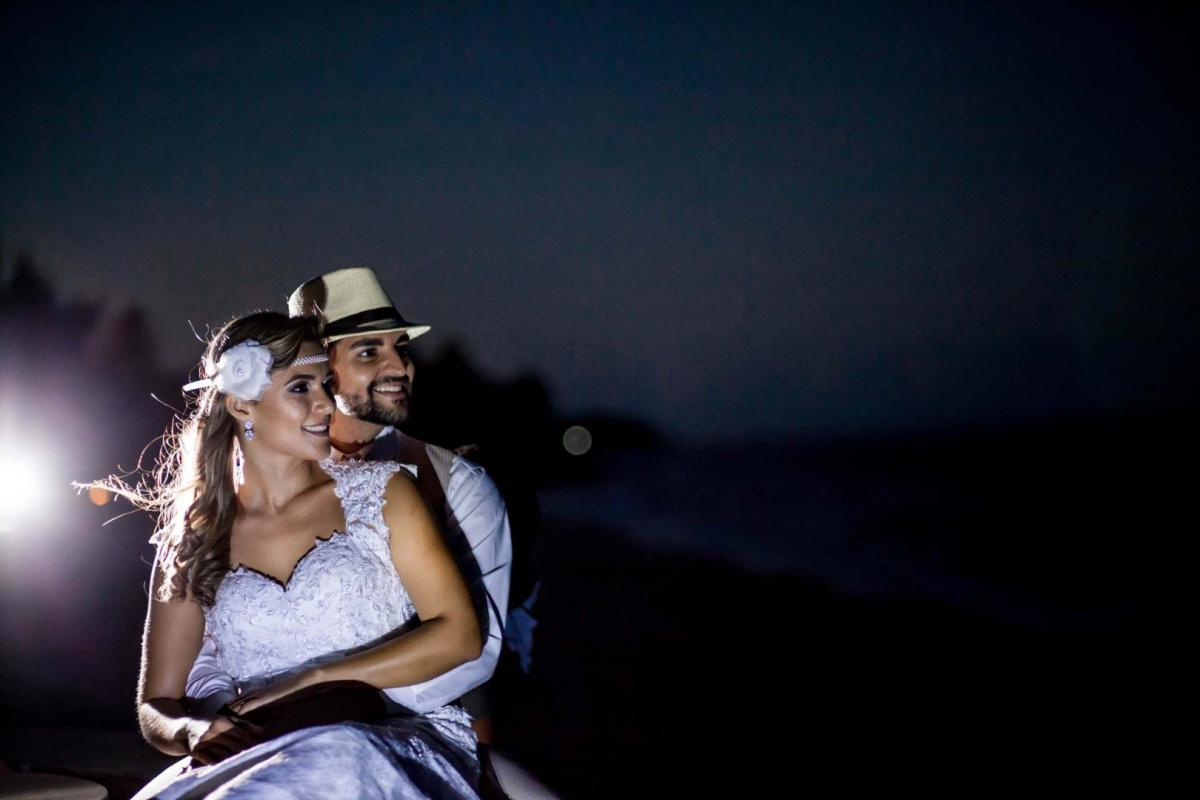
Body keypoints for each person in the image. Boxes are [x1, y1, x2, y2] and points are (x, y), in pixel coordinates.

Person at [86, 311, 488, 799]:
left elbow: (461, 635)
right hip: (257, 749)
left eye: (325, 384)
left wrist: (313, 680)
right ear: (241, 404)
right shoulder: (194, 539)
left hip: (383, 738)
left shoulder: (385, 493)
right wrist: (194, 732)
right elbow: (155, 707)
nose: (326, 404)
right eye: (301, 388)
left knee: (336, 760)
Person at [283, 267, 557, 800]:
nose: (399, 366)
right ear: (318, 369)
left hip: (419, 720)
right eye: (369, 351)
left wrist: (333, 709)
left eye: (401, 348)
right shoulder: (266, 483)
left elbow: (478, 648)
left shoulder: (458, 484)